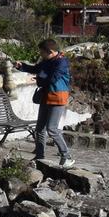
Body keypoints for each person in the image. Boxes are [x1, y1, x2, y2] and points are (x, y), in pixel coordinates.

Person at [14, 38, 75, 168]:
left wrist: (38, 80)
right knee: (40, 128)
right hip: (46, 97)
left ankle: (66, 155)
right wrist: (22, 67)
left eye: (42, 53)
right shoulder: (47, 60)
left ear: (51, 51)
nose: (41, 55)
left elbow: (53, 78)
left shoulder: (61, 62)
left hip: (58, 98)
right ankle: (40, 155)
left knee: (52, 129)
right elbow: (36, 68)